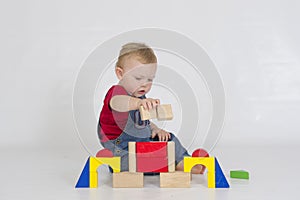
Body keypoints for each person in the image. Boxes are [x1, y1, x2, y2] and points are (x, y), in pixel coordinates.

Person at [97, 42, 204, 174]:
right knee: (143, 160)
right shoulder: (117, 93)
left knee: (169, 139)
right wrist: (137, 103)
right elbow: (118, 103)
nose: (145, 84)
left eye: (150, 79)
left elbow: (142, 121)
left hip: (141, 142)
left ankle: (184, 162)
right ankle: (127, 166)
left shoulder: (140, 96)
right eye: (138, 78)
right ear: (120, 74)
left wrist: (155, 129)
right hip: (121, 147)